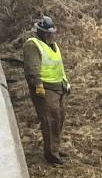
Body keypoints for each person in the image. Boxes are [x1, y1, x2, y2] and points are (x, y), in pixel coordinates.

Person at [19, 15, 69, 165]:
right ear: (41, 32)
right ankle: (51, 155)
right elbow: (32, 68)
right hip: (45, 89)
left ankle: (55, 148)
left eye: (52, 32)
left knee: (59, 118)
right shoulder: (32, 45)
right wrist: (38, 85)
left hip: (57, 87)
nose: (51, 35)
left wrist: (65, 82)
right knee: (50, 120)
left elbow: (58, 66)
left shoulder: (52, 45)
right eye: (49, 33)